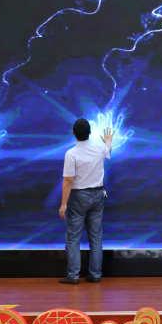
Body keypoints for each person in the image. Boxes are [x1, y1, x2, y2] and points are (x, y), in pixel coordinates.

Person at [59, 118, 113, 285]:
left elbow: (69, 180)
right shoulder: (99, 148)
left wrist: (63, 204)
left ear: (73, 133)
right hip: (98, 194)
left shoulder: (71, 153)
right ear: (90, 132)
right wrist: (108, 141)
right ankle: (95, 274)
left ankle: (73, 275)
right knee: (96, 237)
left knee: (73, 238)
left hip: (78, 197)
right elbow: (108, 152)